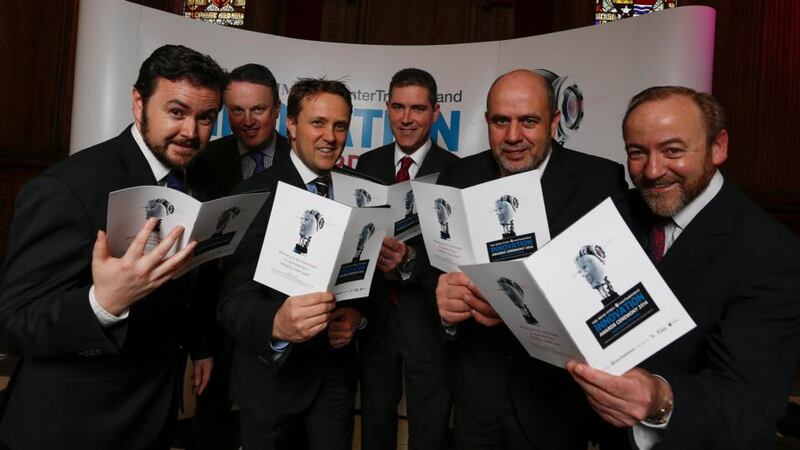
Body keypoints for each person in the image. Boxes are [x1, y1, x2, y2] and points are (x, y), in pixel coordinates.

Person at [0, 44, 227, 449]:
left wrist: (201, 346)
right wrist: (101, 304)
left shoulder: (202, 178)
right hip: (76, 424)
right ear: (138, 103)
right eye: (176, 112)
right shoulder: (66, 188)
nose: (191, 132)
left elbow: (195, 279)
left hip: (155, 410)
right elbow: (14, 322)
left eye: (206, 118)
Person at [566, 86, 800, 449]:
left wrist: (659, 401)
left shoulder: (771, 252)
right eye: (637, 153)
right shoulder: (617, 214)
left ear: (718, 147)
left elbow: (751, 406)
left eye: (673, 150)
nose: (654, 170)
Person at [435, 69, 627, 450]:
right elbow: (434, 269)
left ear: (555, 121)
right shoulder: (458, 176)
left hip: (556, 400)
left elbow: (615, 286)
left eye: (528, 121)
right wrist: (442, 299)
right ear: (487, 121)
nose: (512, 136)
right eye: (501, 121)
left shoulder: (599, 181)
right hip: (477, 397)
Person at [218, 78, 365, 450]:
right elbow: (231, 302)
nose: (330, 136)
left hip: (334, 380)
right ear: (292, 126)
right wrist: (276, 325)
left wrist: (358, 318)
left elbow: (365, 280)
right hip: (271, 382)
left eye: (340, 125)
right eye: (318, 123)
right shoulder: (252, 196)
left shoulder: (359, 194)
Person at [354, 68, 459, 450]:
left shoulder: (457, 170)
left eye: (417, 108)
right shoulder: (366, 164)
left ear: (435, 113)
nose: (406, 118)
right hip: (375, 320)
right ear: (387, 108)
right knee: (374, 430)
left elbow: (457, 256)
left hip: (428, 323)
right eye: (398, 107)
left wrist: (411, 260)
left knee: (428, 431)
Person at [197, 63, 290, 194]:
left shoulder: (297, 158)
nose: (248, 121)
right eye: (238, 110)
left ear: (277, 108)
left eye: (258, 109)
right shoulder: (204, 159)